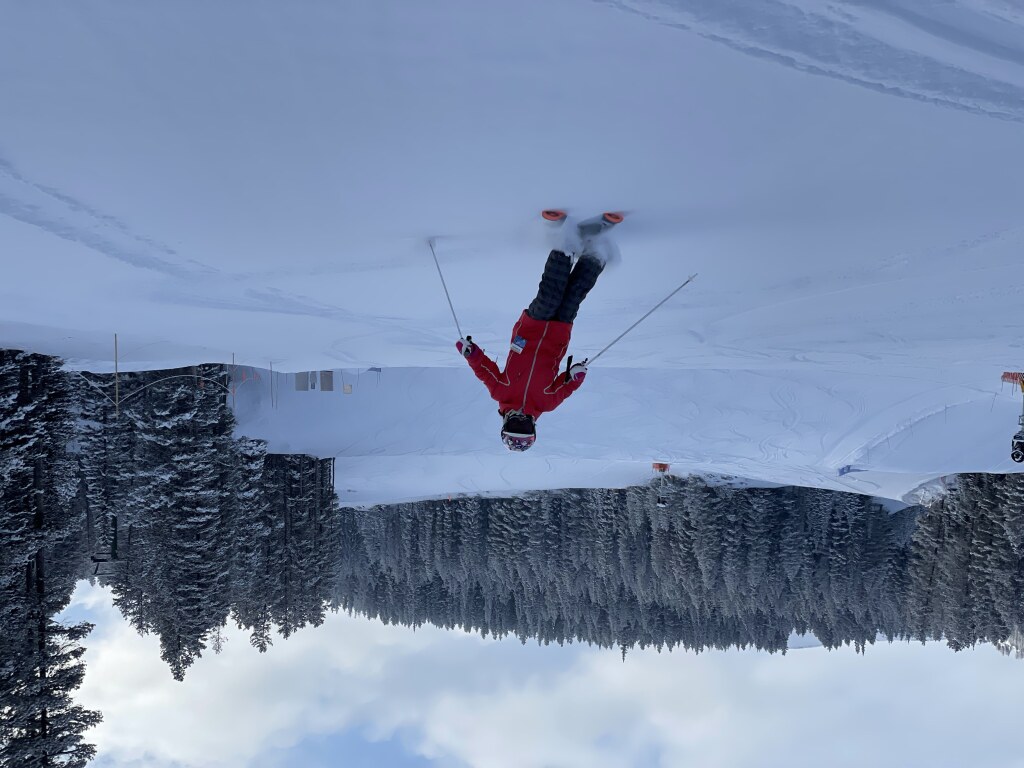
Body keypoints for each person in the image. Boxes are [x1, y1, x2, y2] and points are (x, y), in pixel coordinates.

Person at [456, 240, 605, 452]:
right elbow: (567, 385)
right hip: (558, 335)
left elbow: (484, 370)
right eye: (523, 426)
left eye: (514, 425)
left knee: (550, 297)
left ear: (504, 424)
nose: (519, 419)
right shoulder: (547, 403)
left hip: (530, 331)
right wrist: (576, 375)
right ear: (533, 426)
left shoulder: (501, 392)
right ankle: (596, 254)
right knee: (573, 297)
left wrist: (471, 354)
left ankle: (564, 246)